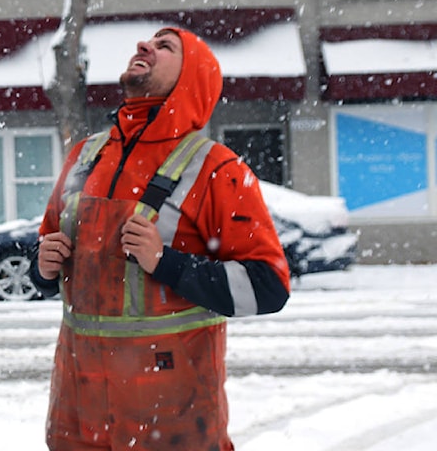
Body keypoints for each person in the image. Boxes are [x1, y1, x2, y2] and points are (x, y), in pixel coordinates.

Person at [31, 27, 291, 451]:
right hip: (78, 416)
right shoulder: (84, 157)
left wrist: (166, 263)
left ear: (192, 77)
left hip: (172, 421)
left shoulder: (217, 168)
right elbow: (48, 257)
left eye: (165, 46)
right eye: (148, 41)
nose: (143, 46)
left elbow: (267, 288)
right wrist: (41, 270)